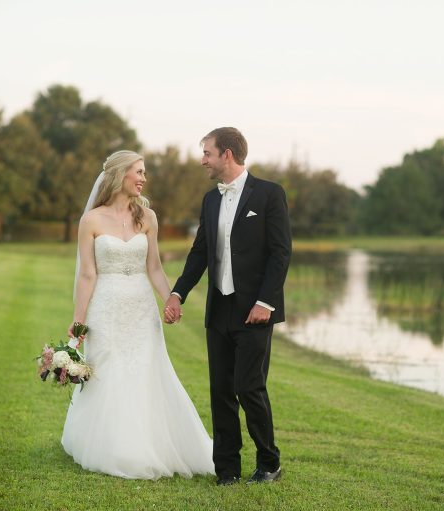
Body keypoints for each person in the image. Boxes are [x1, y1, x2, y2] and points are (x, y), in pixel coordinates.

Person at [61, 150, 214, 480]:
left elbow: (154, 267)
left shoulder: (149, 217)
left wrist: (170, 299)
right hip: (106, 307)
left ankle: (151, 444)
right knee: (109, 373)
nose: (144, 178)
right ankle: (112, 446)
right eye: (139, 172)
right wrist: (78, 322)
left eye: (144, 173)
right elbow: (87, 275)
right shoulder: (91, 221)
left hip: (142, 308)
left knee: (146, 372)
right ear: (119, 175)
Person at [163, 127, 292, 486]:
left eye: (207, 152)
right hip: (219, 309)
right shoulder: (211, 200)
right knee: (220, 389)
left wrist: (265, 302)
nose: (202, 159)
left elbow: (281, 254)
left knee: (249, 387)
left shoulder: (270, 194)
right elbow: (200, 252)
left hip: (255, 311)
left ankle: (269, 464)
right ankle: (227, 471)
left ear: (228, 154)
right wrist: (178, 293)